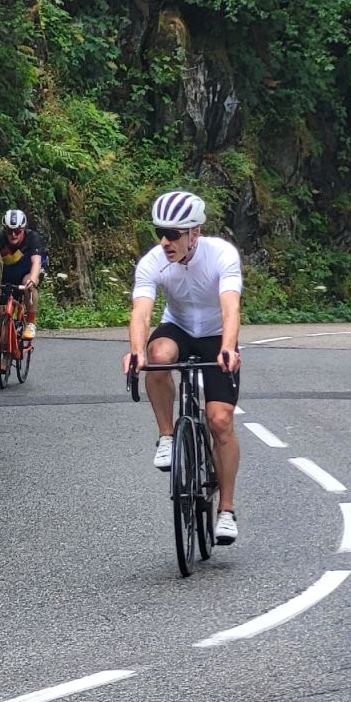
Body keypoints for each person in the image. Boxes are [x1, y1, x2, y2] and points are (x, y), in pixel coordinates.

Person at [121, 190, 244, 545]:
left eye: (173, 234)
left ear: (195, 233)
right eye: (160, 232)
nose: (165, 241)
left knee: (220, 421)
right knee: (157, 355)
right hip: (178, 327)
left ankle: (226, 510)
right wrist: (135, 352)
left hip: (216, 334)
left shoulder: (221, 254)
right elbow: (141, 312)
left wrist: (227, 348)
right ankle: (166, 436)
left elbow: (230, 307)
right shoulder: (152, 261)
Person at [0, 209, 43, 340]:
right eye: (9, 231)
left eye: (17, 231)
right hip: (9, 276)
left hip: (27, 273)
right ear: (5, 230)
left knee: (28, 284)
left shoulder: (32, 237)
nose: (13, 235)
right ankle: (5, 347)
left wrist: (33, 279)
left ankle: (30, 323)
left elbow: (36, 261)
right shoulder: (0, 237)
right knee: (2, 319)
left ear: (23, 229)